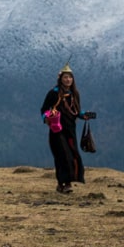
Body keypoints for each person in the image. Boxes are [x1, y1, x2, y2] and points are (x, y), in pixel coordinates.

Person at [40, 64, 96, 193]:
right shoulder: (53, 93)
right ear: (61, 79)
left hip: (70, 130)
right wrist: (47, 118)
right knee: (63, 156)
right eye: (66, 77)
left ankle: (63, 183)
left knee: (73, 155)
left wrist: (84, 115)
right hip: (57, 131)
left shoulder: (74, 94)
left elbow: (76, 111)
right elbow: (43, 109)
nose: (68, 80)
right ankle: (65, 184)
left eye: (70, 77)